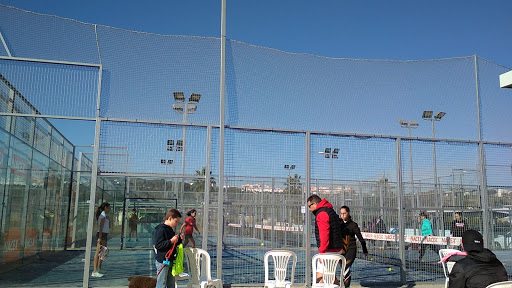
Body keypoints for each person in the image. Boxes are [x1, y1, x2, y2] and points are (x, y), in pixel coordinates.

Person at [307, 195, 344, 284]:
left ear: (315, 204)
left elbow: (324, 233)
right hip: (336, 248)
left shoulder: (322, 214)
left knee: (320, 277)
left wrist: (322, 252)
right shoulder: (330, 210)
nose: (309, 209)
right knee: (330, 275)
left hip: (329, 250)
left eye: (310, 206)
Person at [154, 209, 184, 288]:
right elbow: (159, 245)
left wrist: (179, 239)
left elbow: (172, 244)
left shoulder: (169, 229)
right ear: (170, 218)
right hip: (162, 261)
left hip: (169, 260)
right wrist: (171, 241)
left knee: (171, 282)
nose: (176, 224)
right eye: (176, 221)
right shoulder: (161, 229)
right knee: (161, 283)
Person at [339, 206, 368, 288]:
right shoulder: (339, 224)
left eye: (344, 213)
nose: (342, 215)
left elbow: (361, 239)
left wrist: (365, 250)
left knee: (346, 267)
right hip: (342, 249)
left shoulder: (353, 225)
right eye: (341, 213)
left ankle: (346, 286)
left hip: (351, 249)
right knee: (344, 270)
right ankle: (346, 285)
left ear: (348, 213)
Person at [92, 202, 111, 277]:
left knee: (103, 252)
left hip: (104, 234)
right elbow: (100, 227)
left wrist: (109, 220)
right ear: (105, 207)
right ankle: (95, 270)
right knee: (98, 252)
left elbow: (108, 226)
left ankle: (99, 268)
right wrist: (99, 237)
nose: (110, 209)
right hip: (102, 234)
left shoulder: (106, 216)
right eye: (109, 207)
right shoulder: (102, 216)